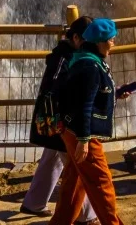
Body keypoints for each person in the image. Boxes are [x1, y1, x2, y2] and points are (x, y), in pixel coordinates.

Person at [51, 18, 134, 225]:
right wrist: (84, 138)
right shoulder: (90, 65)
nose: (113, 44)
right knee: (101, 181)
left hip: (72, 128)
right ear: (99, 42)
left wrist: (114, 94)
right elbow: (85, 104)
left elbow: (89, 95)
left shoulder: (85, 59)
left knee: (75, 179)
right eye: (111, 40)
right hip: (80, 131)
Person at [23, 16, 97, 222]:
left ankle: (34, 202)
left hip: (57, 120)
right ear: (75, 38)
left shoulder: (68, 55)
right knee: (78, 166)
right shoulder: (65, 58)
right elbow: (56, 88)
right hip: (62, 121)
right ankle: (88, 215)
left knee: (52, 158)